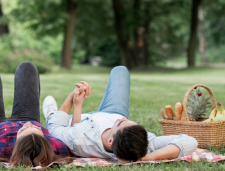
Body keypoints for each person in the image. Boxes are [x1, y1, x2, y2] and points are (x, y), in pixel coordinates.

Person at [43, 66, 198, 162]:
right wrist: (148, 157)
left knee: (54, 120)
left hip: (82, 122)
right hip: (112, 111)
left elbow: (57, 128)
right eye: (129, 121)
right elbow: (190, 141)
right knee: (120, 71)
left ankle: (51, 113)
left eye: (120, 123)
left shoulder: (79, 140)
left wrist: (74, 100)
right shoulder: (142, 144)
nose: (124, 118)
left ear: (110, 141)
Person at [0, 62, 73, 167]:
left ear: (16, 144)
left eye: (23, 130)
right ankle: (50, 116)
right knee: (27, 67)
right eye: (38, 129)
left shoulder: (0, 147)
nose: (28, 124)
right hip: (27, 116)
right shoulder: (55, 147)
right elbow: (71, 144)